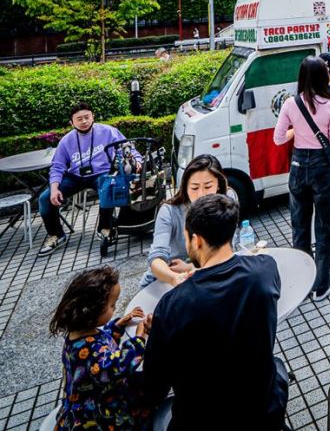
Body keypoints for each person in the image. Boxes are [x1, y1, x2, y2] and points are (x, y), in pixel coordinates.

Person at [142, 194, 287, 429]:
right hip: (263, 411)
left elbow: (153, 389)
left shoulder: (173, 305)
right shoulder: (265, 270)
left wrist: (156, 331)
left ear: (196, 241)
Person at [274, 55, 330, 301]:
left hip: (297, 166)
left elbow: (279, 138)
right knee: (324, 230)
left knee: (299, 229)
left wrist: (298, 129)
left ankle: (303, 284)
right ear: (323, 77)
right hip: (322, 169)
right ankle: (321, 285)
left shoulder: (290, 104)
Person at [50, 265, 150, 430]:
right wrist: (139, 338)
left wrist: (117, 325)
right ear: (92, 312)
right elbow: (116, 367)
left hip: (88, 398)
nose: (115, 308)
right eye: (112, 305)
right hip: (96, 416)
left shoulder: (79, 334)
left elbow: (102, 341)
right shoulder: (89, 351)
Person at [39, 103, 135, 255]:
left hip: (101, 173)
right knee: (44, 198)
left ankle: (104, 228)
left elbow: (128, 148)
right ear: (72, 122)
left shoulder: (108, 131)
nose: (84, 121)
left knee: (108, 186)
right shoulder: (66, 141)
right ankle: (56, 235)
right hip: (76, 176)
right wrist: (54, 188)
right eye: (79, 119)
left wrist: (139, 161)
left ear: (93, 117)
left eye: (87, 117)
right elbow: (57, 166)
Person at [140, 154, 237, 288]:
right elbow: (156, 257)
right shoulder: (169, 211)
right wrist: (175, 278)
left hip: (206, 272)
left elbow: (228, 250)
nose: (201, 195)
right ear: (185, 187)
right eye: (194, 188)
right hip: (166, 280)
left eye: (208, 186)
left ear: (219, 185)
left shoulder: (226, 201)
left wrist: (189, 267)